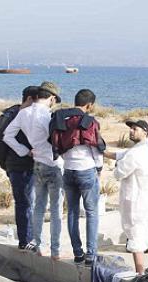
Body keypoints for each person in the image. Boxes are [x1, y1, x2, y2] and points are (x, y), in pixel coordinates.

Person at [3, 81, 63, 259]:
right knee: (55, 208)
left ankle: (37, 244)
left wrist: (25, 150)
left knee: (36, 206)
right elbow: (54, 141)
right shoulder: (47, 116)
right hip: (51, 164)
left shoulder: (22, 113)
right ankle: (54, 249)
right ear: (51, 98)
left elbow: (7, 136)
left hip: (35, 162)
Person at [50, 88, 106, 264]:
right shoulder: (89, 121)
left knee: (72, 212)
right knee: (91, 212)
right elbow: (96, 148)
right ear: (89, 105)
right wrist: (99, 169)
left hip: (68, 170)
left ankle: (78, 253)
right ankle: (91, 255)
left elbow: (56, 143)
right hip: (86, 170)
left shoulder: (60, 118)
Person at [105, 120, 148, 275]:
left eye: (135, 129)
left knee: (135, 233)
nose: (131, 131)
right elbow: (122, 154)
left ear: (144, 132)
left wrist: (115, 166)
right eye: (130, 129)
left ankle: (140, 273)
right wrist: (104, 152)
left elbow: (119, 173)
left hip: (134, 198)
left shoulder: (135, 153)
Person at [0, 85, 38, 251]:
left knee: (27, 202)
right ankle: (26, 240)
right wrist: (6, 164)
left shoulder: (10, 113)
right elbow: (1, 140)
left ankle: (29, 238)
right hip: (19, 166)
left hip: (16, 165)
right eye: (36, 102)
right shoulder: (14, 116)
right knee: (25, 203)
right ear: (29, 99)